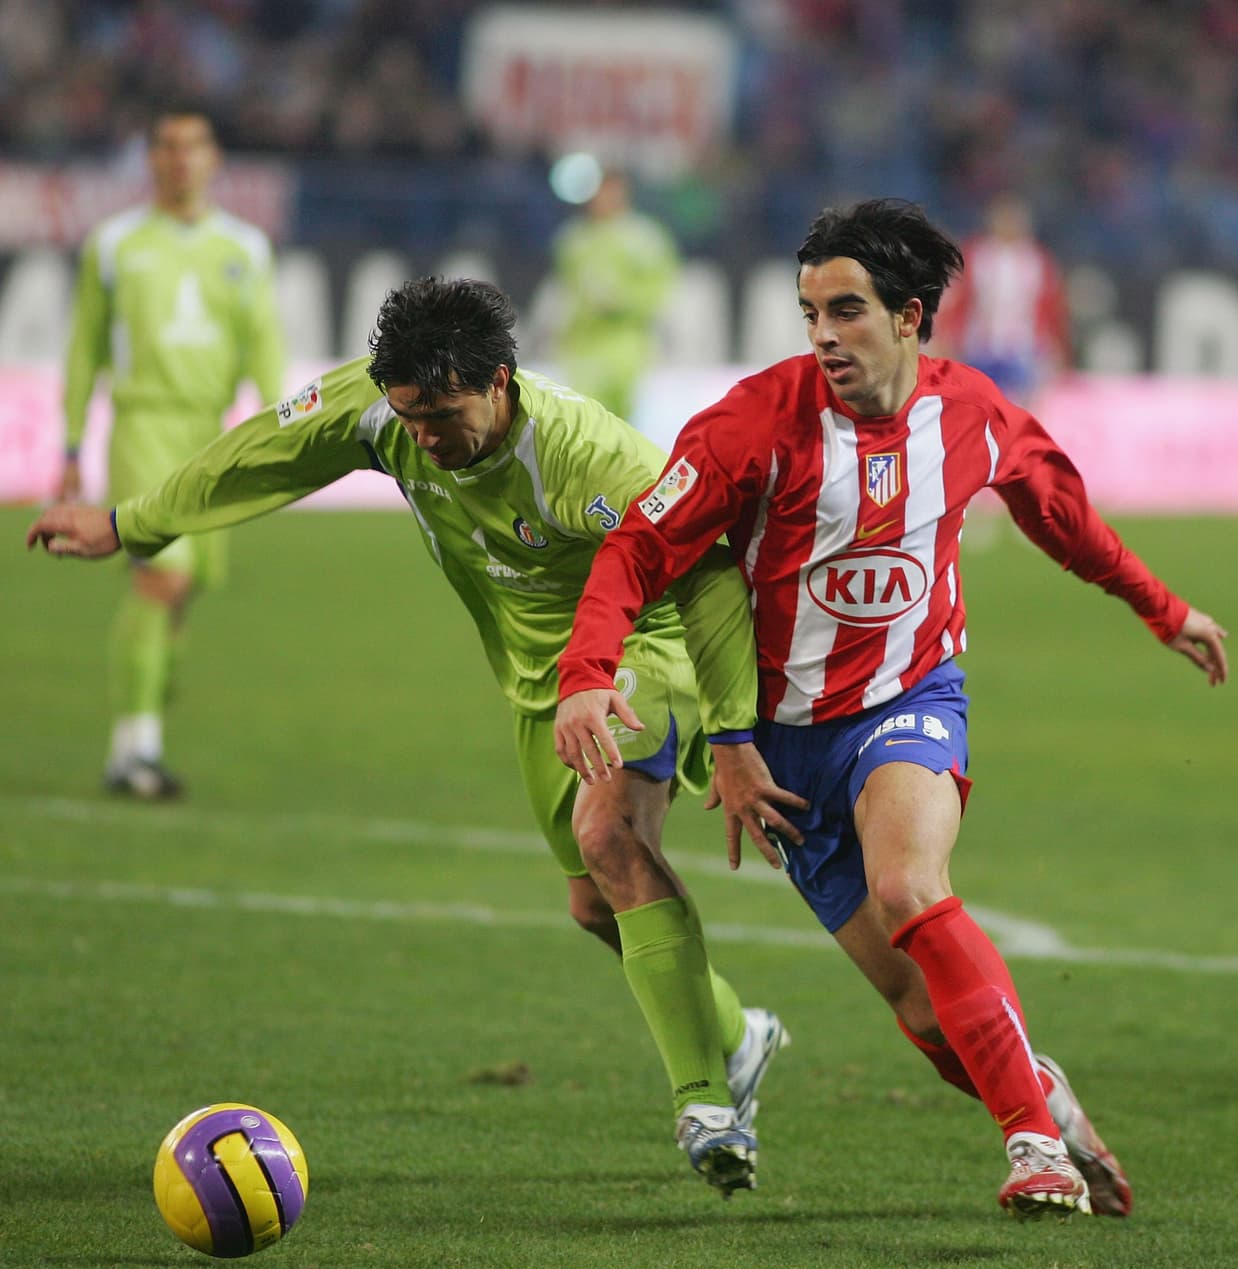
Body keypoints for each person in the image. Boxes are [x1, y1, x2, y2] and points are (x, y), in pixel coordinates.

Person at [29, 276, 787, 1198]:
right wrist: (128, 523)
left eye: (445, 415)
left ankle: (706, 1103)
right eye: (409, 416)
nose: (424, 437)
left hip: (642, 645)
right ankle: (737, 1035)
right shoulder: (382, 411)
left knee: (607, 835)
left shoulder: (591, 457)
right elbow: (267, 451)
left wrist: (737, 734)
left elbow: (706, 575)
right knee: (595, 906)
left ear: (500, 381)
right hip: (535, 681)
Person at [554, 199, 1229, 1220]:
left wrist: (1158, 606)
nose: (822, 333)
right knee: (922, 1010)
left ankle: (1030, 1145)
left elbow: (1056, 509)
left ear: (910, 316)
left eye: (846, 310)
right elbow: (637, 548)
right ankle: (1036, 1091)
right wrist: (587, 671)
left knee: (911, 885)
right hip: (783, 750)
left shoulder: (968, 413)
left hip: (907, 700)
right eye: (808, 311)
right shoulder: (749, 425)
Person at [60, 102, 285, 800]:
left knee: (185, 592)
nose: (179, 157)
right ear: (151, 158)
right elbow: (85, 348)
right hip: (142, 428)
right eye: (165, 145)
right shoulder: (115, 243)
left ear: (214, 158)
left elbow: (263, 341)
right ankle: (133, 749)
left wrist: (279, 431)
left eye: (192, 146)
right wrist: (72, 442)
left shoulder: (245, 248)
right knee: (162, 579)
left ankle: (147, 702)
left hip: (211, 435)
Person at [550, 168, 680, 422]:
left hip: (629, 342)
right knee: (585, 422)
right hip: (583, 345)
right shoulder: (574, 238)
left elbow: (661, 288)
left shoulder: (644, 237)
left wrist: (622, 301)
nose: (603, 198)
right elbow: (565, 288)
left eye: (610, 191)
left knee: (624, 425)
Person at [931, 191, 1070, 408]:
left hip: (1023, 347)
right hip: (980, 345)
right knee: (974, 404)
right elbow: (957, 298)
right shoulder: (976, 255)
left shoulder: (1037, 259)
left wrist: (1057, 346)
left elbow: (1052, 307)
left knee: (1025, 408)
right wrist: (946, 335)